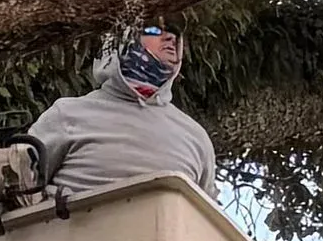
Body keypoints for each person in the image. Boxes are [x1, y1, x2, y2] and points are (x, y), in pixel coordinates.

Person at [28, 26, 217, 201]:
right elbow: (19, 189)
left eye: (175, 33)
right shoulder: (68, 114)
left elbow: (210, 223)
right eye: (153, 30)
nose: (171, 38)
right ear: (122, 40)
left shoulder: (196, 137)